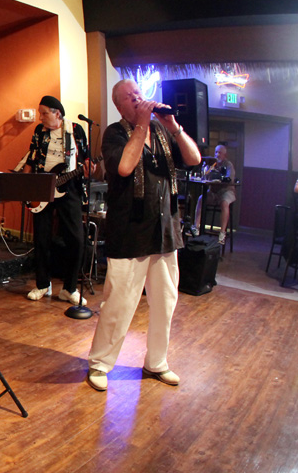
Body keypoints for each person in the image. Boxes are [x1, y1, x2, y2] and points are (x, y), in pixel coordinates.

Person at [85, 79, 201, 392]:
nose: (137, 98)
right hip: (130, 234)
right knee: (119, 304)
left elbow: (194, 159)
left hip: (165, 232)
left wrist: (174, 126)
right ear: (119, 105)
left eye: (139, 93)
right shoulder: (115, 133)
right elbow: (124, 167)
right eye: (129, 96)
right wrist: (141, 126)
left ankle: (157, 362)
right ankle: (100, 363)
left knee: (165, 302)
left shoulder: (162, 130)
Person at [14, 96, 92, 305]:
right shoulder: (39, 132)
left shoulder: (76, 130)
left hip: (70, 187)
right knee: (41, 238)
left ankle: (70, 288)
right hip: (44, 187)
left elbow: (86, 157)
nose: (40, 117)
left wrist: (89, 167)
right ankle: (42, 284)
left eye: (44, 113)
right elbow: (32, 157)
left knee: (77, 239)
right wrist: (26, 187)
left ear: (58, 113)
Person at [193, 144, 236, 243]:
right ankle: (196, 227)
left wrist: (219, 178)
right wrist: (208, 171)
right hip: (213, 192)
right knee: (201, 199)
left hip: (226, 191)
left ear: (225, 155)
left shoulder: (228, 165)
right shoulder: (212, 164)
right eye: (216, 152)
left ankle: (222, 233)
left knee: (224, 203)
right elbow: (205, 176)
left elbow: (229, 179)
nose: (217, 154)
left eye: (220, 153)